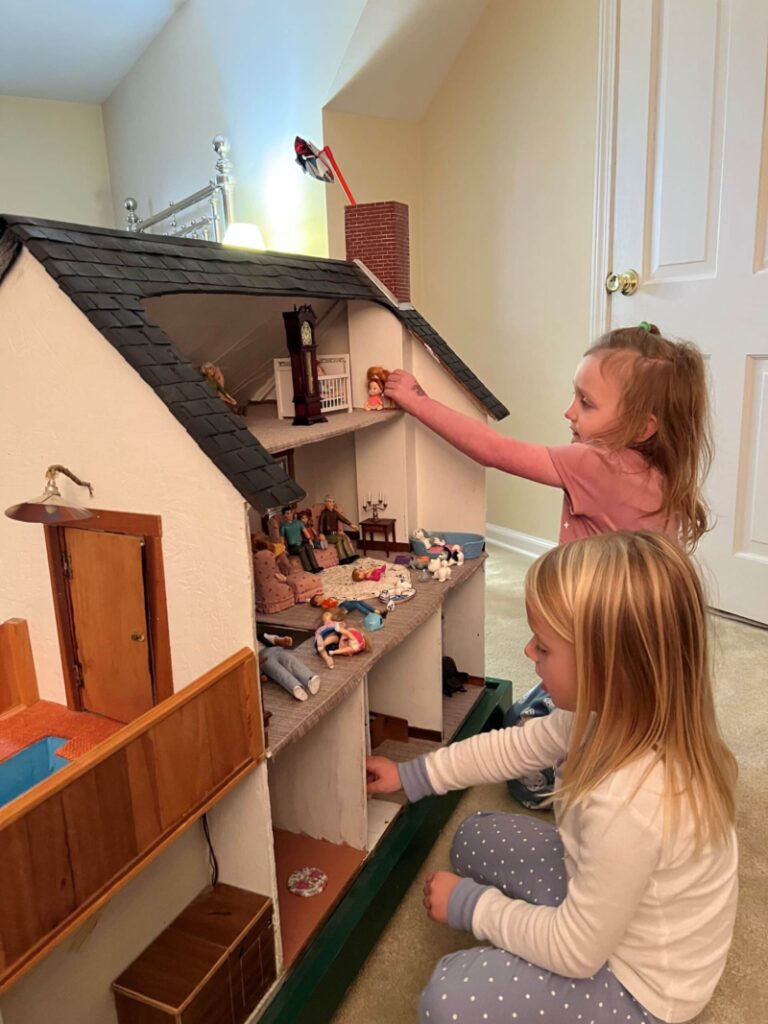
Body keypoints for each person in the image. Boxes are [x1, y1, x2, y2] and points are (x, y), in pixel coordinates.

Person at [367, 532, 738, 1024]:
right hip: (611, 895)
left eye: (543, 645)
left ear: (611, 668)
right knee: (474, 836)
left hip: (641, 985)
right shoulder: (608, 713)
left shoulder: (630, 802)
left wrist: (475, 907)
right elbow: (514, 746)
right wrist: (413, 776)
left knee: (450, 1000)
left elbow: (577, 951)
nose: (526, 650)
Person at [385, 322, 713, 806]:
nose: (569, 411)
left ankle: (568, 775)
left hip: (591, 629)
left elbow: (493, 451)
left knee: (532, 743)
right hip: (637, 632)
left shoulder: (597, 463)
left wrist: (416, 401)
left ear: (642, 426)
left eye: (586, 402)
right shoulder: (663, 472)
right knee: (568, 712)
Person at [258, 637, 320, 702]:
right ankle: (295, 687)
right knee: (278, 671)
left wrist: (281, 640)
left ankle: (309, 678)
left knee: (291, 661)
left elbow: (269, 638)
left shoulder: (256, 635)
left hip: (272, 649)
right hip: (261, 658)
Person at [318, 495, 359, 563]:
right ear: (326, 503)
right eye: (330, 502)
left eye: (333, 502)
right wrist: (321, 534)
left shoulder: (335, 513)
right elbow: (321, 524)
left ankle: (347, 557)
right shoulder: (324, 513)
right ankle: (344, 558)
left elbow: (343, 519)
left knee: (342, 538)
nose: (332, 504)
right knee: (339, 538)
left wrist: (351, 525)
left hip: (335, 534)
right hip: (328, 536)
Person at [279, 506, 321, 573]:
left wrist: (310, 540)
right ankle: (309, 570)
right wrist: (283, 549)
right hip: (293, 547)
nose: (290, 515)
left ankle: (316, 567)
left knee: (307, 546)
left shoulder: (298, 522)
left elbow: (305, 531)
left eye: (290, 513)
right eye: (287, 513)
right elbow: (282, 538)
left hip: (301, 543)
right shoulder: (284, 526)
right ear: (284, 515)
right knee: (301, 549)